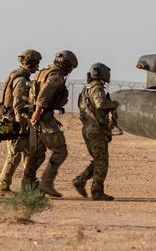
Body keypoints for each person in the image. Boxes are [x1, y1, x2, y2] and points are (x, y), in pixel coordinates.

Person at [21, 50, 77, 197]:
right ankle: (46, 183)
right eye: (70, 67)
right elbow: (45, 93)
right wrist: (38, 112)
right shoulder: (56, 76)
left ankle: (28, 185)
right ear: (66, 65)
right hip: (41, 116)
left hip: (36, 116)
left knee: (37, 153)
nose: (70, 70)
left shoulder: (44, 72)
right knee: (60, 150)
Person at [0, 49, 41, 196]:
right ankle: (3, 187)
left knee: (28, 153)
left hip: (19, 122)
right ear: (31, 62)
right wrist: (21, 124)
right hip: (16, 123)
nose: (37, 67)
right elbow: (18, 105)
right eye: (36, 63)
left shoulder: (18, 76)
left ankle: (28, 186)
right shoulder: (21, 80)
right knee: (14, 155)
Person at [72, 63, 119, 201]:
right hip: (96, 130)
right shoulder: (97, 88)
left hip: (87, 129)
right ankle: (97, 191)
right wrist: (114, 104)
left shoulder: (85, 90)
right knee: (102, 162)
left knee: (98, 160)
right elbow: (101, 104)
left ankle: (80, 180)